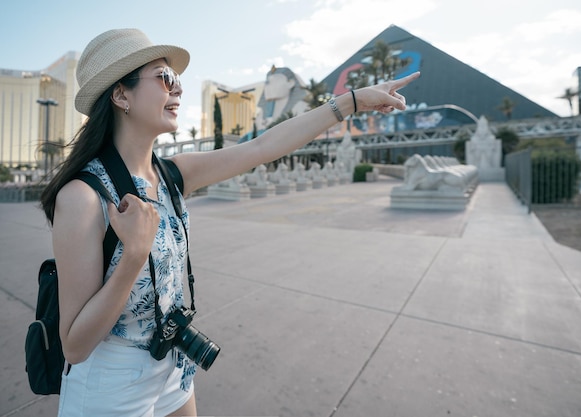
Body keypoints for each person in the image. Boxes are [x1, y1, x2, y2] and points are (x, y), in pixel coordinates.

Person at [40, 28, 420, 417]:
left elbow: (260, 148)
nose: (178, 90)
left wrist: (352, 102)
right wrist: (133, 255)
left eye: (177, 80)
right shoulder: (83, 197)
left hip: (172, 366)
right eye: (165, 77)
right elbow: (74, 345)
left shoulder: (171, 175)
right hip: (111, 387)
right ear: (121, 94)